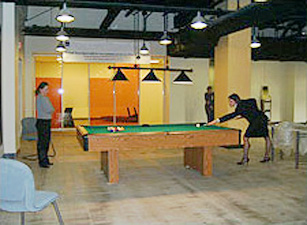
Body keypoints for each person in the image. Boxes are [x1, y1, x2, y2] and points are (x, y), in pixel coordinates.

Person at [208, 93, 271, 165]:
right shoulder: (244, 103)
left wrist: (215, 121)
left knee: (246, 138)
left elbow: (229, 116)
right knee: (266, 137)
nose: (229, 103)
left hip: (257, 121)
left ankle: (245, 158)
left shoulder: (239, 108)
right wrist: (245, 114)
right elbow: (253, 101)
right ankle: (266, 156)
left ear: (236, 101)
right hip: (262, 118)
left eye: (231, 101)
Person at [35, 82, 55, 168]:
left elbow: (51, 109)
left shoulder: (43, 98)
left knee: (46, 142)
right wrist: (51, 109)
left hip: (45, 122)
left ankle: (45, 159)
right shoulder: (42, 98)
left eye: (48, 89)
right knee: (43, 143)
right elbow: (49, 109)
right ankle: (42, 161)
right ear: (40, 89)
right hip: (43, 122)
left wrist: (51, 109)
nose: (47, 91)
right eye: (46, 89)